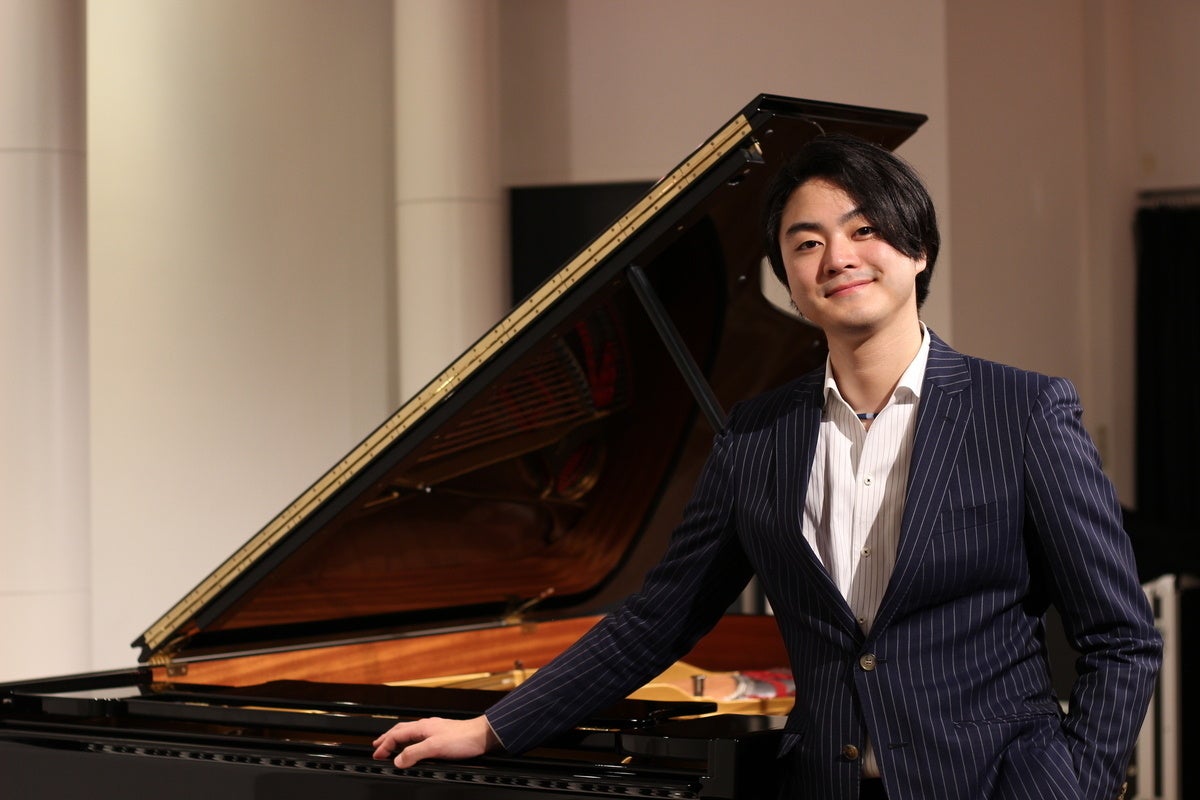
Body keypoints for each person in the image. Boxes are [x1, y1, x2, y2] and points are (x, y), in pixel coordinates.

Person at [373, 133, 1162, 800]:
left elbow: (1120, 636)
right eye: (806, 243)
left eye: (863, 230)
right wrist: (493, 726)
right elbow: (659, 619)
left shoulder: (1023, 411)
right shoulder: (755, 436)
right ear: (788, 281)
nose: (837, 257)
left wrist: (1073, 787)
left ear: (917, 249)